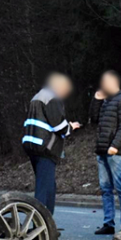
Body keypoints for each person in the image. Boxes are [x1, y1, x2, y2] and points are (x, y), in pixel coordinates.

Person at [22, 72, 80, 213]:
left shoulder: (37, 97)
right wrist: (71, 127)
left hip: (32, 147)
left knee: (48, 186)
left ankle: (47, 225)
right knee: (44, 189)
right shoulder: (52, 98)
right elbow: (59, 126)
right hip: (45, 148)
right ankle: (40, 227)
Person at [90, 70, 121, 235]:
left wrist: (115, 145)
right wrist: (96, 100)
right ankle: (108, 223)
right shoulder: (107, 101)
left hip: (115, 151)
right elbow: (94, 119)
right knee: (105, 188)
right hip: (102, 150)